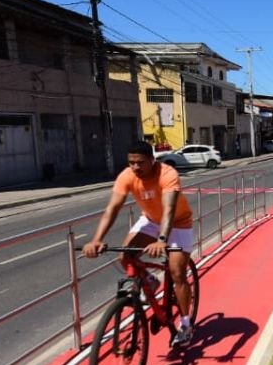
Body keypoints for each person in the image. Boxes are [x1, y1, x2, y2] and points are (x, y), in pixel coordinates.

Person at [83, 140, 196, 347]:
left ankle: (186, 324)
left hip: (179, 224)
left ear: (153, 161)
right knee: (125, 256)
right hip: (151, 220)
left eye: (140, 163)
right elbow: (112, 209)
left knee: (177, 272)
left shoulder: (167, 174)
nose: (135, 167)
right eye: (131, 162)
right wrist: (96, 239)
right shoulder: (127, 176)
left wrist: (162, 240)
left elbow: (169, 209)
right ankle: (150, 280)